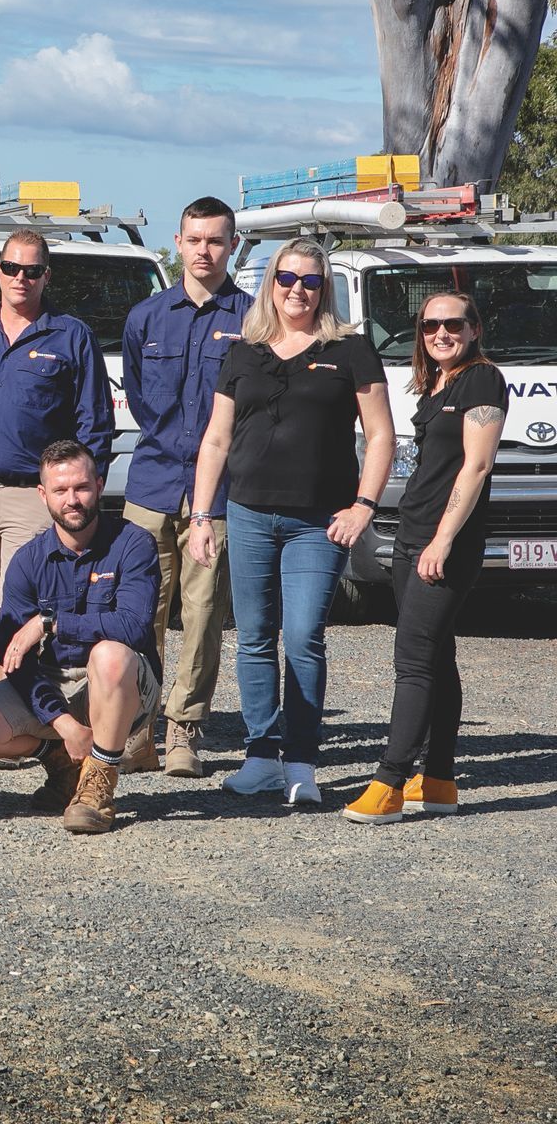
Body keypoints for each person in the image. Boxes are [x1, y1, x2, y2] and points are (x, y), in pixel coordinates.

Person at [188, 237, 394, 806]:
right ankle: (260, 758)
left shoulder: (349, 349)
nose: (297, 290)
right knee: (253, 637)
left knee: (303, 637)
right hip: (248, 513)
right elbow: (217, 438)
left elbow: (380, 435)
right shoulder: (243, 352)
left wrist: (364, 505)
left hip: (319, 521)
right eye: (286, 278)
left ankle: (301, 760)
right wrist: (202, 514)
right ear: (270, 283)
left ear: (323, 287)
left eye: (309, 280)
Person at [345, 293, 505, 824]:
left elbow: (476, 468)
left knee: (412, 659)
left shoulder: (482, 379)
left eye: (452, 323)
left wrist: (442, 540)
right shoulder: (439, 381)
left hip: (445, 541)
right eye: (430, 324)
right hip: (412, 535)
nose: (440, 332)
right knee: (437, 656)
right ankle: (437, 780)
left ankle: (390, 780)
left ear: (474, 328)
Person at [0, 231, 112, 695]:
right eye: (11, 268)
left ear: (46, 276)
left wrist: (80, 491)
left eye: (32, 271)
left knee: (28, 603)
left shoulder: (72, 336)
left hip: (33, 496)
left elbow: (95, 421)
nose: (20, 278)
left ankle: (33, 707)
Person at [0, 440, 163, 835]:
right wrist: (63, 724)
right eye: (60, 491)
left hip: (124, 684)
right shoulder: (28, 560)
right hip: (57, 681)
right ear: (42, 495)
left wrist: (50, 623)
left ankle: (98, 785)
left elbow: (134, 626)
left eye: (82, 487)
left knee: (109, 655)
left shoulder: (133, 544)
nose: (73, 500)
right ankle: (64, 765)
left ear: (99, 485)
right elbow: (13, 659)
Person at [119, 197, 253, 777]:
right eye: (195, 240)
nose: (204, 251)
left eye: (216, 240)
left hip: (218, 495)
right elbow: (141, 394)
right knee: (137, 612)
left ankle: (184, 732)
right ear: (178, 243)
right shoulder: (146, 317)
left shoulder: (254, 319)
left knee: (202, 616)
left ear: (232, 246)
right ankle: (137, 730)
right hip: (151, 484)